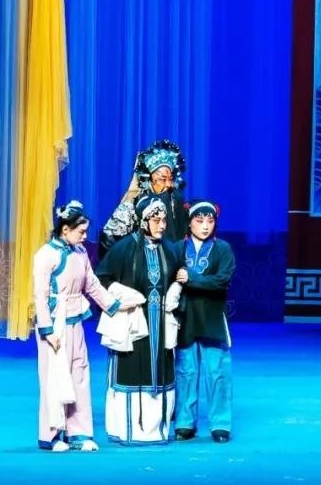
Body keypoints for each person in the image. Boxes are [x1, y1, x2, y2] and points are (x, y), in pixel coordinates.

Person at [95, 195, 185, 445]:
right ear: (143, 221)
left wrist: (177, 286)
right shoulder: (124, 248)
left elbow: (179, 276)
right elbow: (101, 278)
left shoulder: (170, 249)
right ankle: (127, 430)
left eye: (164, 220)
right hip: (133, 322)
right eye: (156, 220)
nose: (162, 225)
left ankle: (157, 430)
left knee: (161, 369)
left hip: (161, 324)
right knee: (131, 369)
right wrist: (122, 295)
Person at [32, 200, 121, 451]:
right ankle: (52, 434)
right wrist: (47, 330)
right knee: (54, 378)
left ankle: (79, 432)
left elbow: (91, 284)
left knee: (79, 374)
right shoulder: (45, 255)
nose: (84, 236)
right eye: (81, 231)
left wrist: (114, 306)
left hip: (75, 320)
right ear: (65, 230)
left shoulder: (80, 252)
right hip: (55, 324)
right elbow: (40, 295)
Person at [174, 200, 236, 443]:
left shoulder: (223, 249)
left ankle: (220, 424)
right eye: (199, 221)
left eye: (210, 221)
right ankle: (184, 422)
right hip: (186, 315)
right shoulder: (178, 248)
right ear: (189, 222)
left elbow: (222, 280)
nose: (205, 226)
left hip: (212, 315)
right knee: (185, 371)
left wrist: (192, 278)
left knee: (217, 371)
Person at [99, 140, 189, 259]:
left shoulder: (175, 198)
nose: (168, 184)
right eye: (162, 179)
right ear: (149, 178)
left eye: (170, 179)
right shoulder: (134, 203)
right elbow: (109, 241)